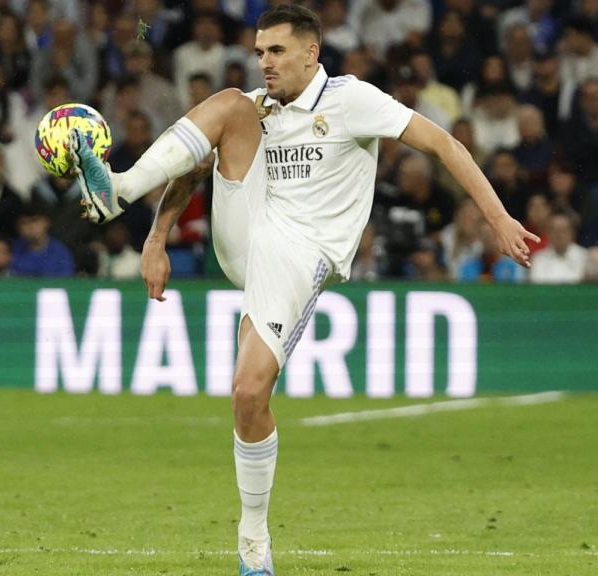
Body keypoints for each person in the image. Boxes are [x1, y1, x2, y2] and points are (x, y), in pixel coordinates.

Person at [70, 5, 536, 574]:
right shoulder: (259, 105)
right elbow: (194, 168)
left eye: (277, 52)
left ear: (311, 52)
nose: (264, 62)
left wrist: (499, 218)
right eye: (260, 51)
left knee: (247, 395)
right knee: (231, 108)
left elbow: (444, 145)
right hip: (247, 229)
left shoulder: (350, 99)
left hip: (301, 253)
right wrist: (156, 239)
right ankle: (119, 188)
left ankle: (253, 542)